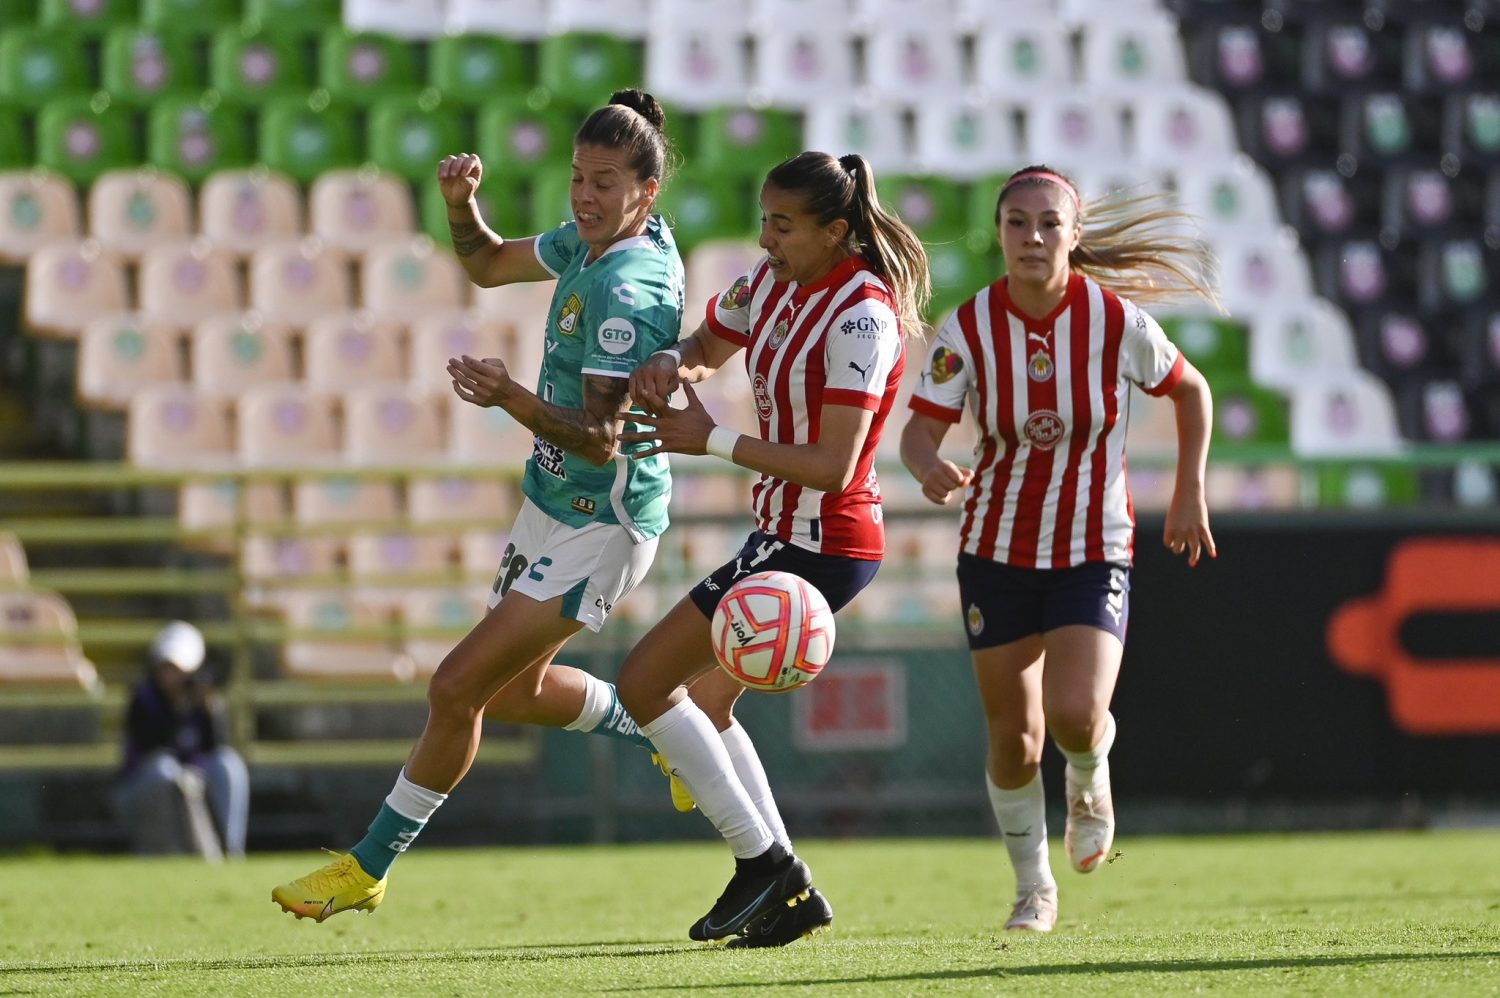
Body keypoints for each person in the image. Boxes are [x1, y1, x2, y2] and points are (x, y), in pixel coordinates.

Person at [272, 89, 690, 921]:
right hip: (550, 508)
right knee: (510, 694)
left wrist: (507, 398)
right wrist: (463, 208)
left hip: (600, 521)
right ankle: (666, 734)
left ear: (647, 192)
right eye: (577, 176)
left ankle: (367, 866)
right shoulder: (591, 245)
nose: (583, 195)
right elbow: (489, 263)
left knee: (455, 688)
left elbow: (602, 439)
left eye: (604, 181)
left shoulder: (631, 289)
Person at [617, 150, 931, 948]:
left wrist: (710, 438)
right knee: (708, 702)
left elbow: (834, 467)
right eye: (762, 219)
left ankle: (765, 867)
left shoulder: (864, 313)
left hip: (824, 540)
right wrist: (669, 361)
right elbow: (706, 344)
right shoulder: (770, 282)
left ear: (835, 231)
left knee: (646, 679)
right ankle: (786, 885)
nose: (765, 238)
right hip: (784, 532)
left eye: (783, 225)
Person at [899, 165, 1218, 933]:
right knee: (1014, 740)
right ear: (999, 232)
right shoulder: (968, 327)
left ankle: (1090, 775)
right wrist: (924, 462)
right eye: (1017, 222)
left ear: (1074, 235)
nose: (1033, 237)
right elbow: (919, 429)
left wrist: (1188, 490)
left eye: (1049, 223)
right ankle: (1032, 889)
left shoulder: (1114, 322)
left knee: (1076, 716)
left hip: (1090, 546)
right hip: (996, 550)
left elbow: (1191, 390)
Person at [115, 621, 249, 859]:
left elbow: (217, 748)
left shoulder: (205, 701)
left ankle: (231, 851)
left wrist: (209, 707)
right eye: (167, 668)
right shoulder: (144, 700)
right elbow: (152, 749)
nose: (172, 676)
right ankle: (163, 852)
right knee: (164, 771)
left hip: (195, 792)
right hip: (142, 791)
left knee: (229, 763)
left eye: (179, 669)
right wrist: (178, 711)